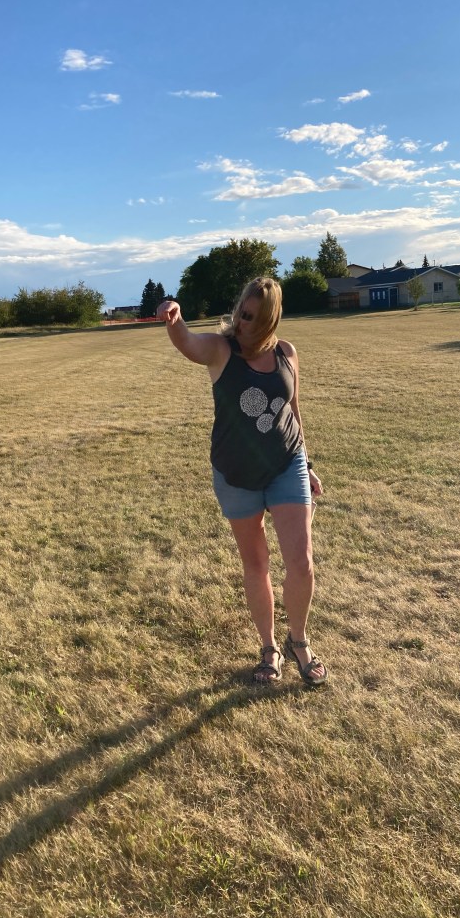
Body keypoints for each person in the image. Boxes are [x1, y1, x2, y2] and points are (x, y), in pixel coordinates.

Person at [156, 277, 328, 686]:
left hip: (286, 464)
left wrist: (306, 464)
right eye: (239, 312)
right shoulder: (221, 350)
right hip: (235, 474)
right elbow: (189, 344)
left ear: (269, 320)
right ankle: (269, 648)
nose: (240, 321)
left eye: (249, 317)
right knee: (256, 563)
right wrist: (174, 317)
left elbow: (293, 410)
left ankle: (299, 641)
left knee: (301, 561)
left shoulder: (287, 353)